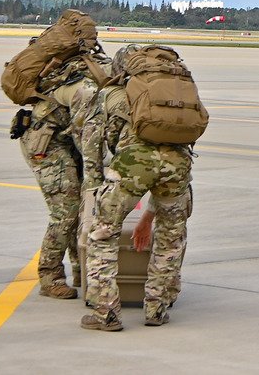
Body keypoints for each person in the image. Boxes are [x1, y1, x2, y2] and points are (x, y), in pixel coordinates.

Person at [80, 45, 194, 331]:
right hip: (178, 163)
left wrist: (93, 188)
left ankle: (106, 312)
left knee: (102, 236)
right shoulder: (173, 91)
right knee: (171, 239)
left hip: (133, 163)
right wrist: (150, 214)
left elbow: (91, 144)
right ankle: (157, 308)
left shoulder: (111, 94)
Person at [11, 30, 105, 299]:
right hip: (46, 144)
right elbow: (89, 141)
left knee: (83, 204)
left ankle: (81, 270)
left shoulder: (98, 78)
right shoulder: (88, 90)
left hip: (63, 138)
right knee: (67, 209)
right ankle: (50, 275)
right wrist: (97, 176)